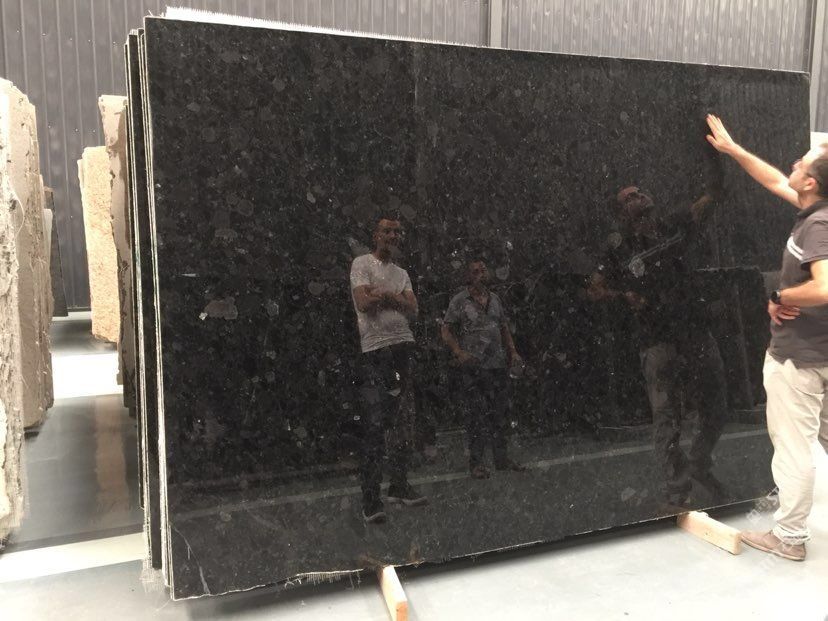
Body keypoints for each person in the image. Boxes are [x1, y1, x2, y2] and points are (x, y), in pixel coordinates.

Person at [707, 114, 828, 561]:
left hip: (800, 359)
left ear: (811, 183)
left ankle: (789, 538)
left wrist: (781, 295)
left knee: (793, 449)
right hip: (820, 354)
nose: (794, 163)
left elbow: (825, 286)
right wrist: (734, 150)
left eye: (803, 162)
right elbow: (775, 179)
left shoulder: (818, 226)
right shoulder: (816, 210)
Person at [588, 186, 729, 511]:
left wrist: (718, 175)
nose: (638, 196)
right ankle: (677, 488)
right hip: (657, 338)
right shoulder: (619, 248)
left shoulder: (672, 224)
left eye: (639, 191)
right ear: (622, 213)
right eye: (629, 197)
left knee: (717, 404)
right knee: (667, 416)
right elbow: (594, 289)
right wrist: (623, 296)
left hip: (693, 329)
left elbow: (708, 201)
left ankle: (698, 461)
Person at [350, 217, 427, 524]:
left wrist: (382, 294)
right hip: (376, 352)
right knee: (374, 425)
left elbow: (414, 309)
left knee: (403, 422)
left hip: (403, 349)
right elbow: (362, 302)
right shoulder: (361, 264)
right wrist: (396, 298)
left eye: (397, 232)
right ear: (376, 235)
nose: (392, 235)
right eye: (387, 231)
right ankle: (371, 499)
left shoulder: (402, 273)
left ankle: (399, 484)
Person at [441, 259, 526, 478]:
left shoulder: (494, 299)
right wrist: (458, 352)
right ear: (468, 276)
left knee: (499, 412)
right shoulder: (460, 300)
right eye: (476, 271)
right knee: (476, 414)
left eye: (483, 270)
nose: (481, 274)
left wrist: (513, 351)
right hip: (474, 365)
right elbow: (446, 329)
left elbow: (503, 327)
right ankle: (476, 462)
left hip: (496, 363)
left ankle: (501, 457)